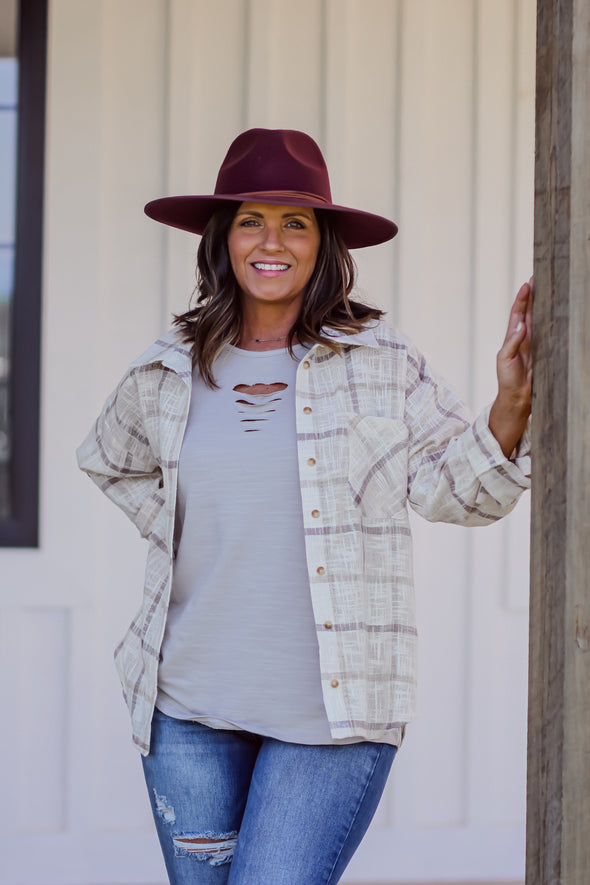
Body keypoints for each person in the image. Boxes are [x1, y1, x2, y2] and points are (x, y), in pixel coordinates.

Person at [77, 128, 532, 885]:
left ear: (325, 245)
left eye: (297, 222)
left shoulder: (379, 360)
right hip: (186, 710)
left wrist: (510, 403)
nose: (272, 241)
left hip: (335, 719)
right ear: (223, 237)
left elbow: (461, 490)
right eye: (253, 219)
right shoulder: (169, 368)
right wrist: (187, 532)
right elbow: (108, 458)